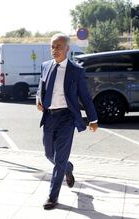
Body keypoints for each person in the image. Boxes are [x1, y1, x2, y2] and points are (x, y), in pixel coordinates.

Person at [36, 33, 98, 210]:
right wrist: (38, 100)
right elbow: (41, 87)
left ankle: (52, 197)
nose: (54, 50)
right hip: (49, 116)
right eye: (52, 46)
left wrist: (93, 119)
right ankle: (68, 168)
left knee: (60, 159)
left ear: (67, 49)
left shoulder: (76, 70)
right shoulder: (45, 66)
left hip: (66, 118)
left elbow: (85, 97)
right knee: (49, 154)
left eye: (59, 47)